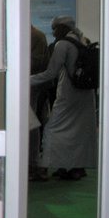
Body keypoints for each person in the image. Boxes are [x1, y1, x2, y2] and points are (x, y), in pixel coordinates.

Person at [29, 15, 96, 181]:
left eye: (55, 28)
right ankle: (73, 168)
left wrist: (24, 80)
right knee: (78, 132)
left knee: (52, 129)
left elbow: (50, 73)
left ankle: (44, 167)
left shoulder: (62, 45)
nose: (53, 33)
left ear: (64, 27)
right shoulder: (83, 41)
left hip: (68, 94)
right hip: (86, 94)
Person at [29, 25, 52, 181]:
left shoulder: (36, 35)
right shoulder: (36, 35)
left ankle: (32, 163)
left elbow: (36, 63)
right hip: (31, 85)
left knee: (31, 125)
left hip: (32, 86)